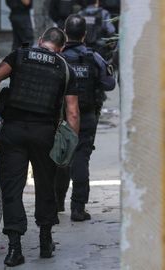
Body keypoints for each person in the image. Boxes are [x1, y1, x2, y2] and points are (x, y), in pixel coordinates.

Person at [0, 27, 80, 267]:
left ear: (41, 41)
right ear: (62, 48)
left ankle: (15, 249)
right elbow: (72, 113)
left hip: (13, 131)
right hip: (44, 134)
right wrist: (69, 145)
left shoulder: (20, 55)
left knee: (12, 188)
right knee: (45, 185)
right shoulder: (65, 68)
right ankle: (45, 241)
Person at [54, 14, 116, 221]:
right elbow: (109, 84)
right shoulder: (93, 57)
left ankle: (56, 203)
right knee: (81, 158)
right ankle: (78, 208)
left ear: (64, 31)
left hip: (60, 117)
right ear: (85, 34)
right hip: (87, 115)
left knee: (60, 158)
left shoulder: (58, 57)